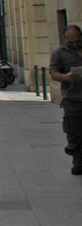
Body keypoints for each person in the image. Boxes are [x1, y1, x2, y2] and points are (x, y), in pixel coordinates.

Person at [48, 24, 82, 175]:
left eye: (77, 41)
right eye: (71, 42)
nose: (75, 44)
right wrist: (65, 77)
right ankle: (78, 160)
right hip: (72, 98)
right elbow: (53, 73)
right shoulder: (59, 53)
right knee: (74, 132)